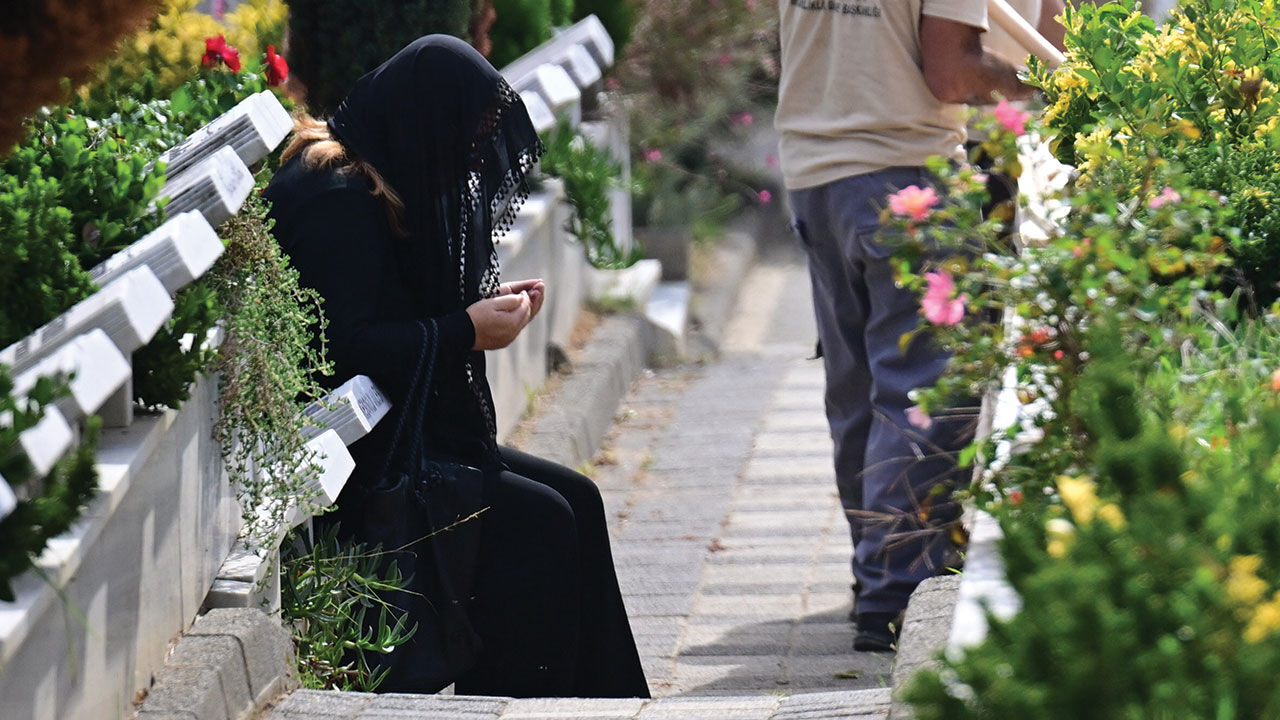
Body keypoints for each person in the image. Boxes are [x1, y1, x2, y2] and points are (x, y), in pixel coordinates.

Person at [263, 35, 650, 699]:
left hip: (385, 438)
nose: (465, 161)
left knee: (578, 500)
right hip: (357, 465)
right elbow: (346, 348)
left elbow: (382, 314)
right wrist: (463, 330)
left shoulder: (365, 170)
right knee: (540, 525)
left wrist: (473, 316)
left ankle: (605, 708)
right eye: (460, 140)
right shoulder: (339, 197)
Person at [774, 1, 1036, 652]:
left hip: (814, 178)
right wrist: (1034, 87)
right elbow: (951, 74)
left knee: (857, 390)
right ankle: (897, 595)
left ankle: (875, 576)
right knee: (926, 390)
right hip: (903, 172)